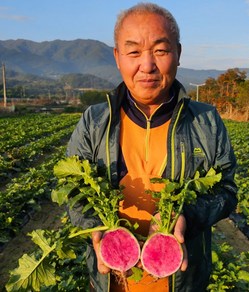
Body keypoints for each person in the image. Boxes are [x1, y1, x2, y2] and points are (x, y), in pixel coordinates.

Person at [66, 2, 238, 291]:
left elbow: (227, 191)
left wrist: (187, 216)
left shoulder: (207, 121)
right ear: (117, 57)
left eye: (160, 50)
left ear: (178, 54)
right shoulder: (94, 122)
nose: (147, 66)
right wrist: (96, 227)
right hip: (111, 281)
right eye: (133, 52)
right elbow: (73, 190)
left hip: (184, 281)